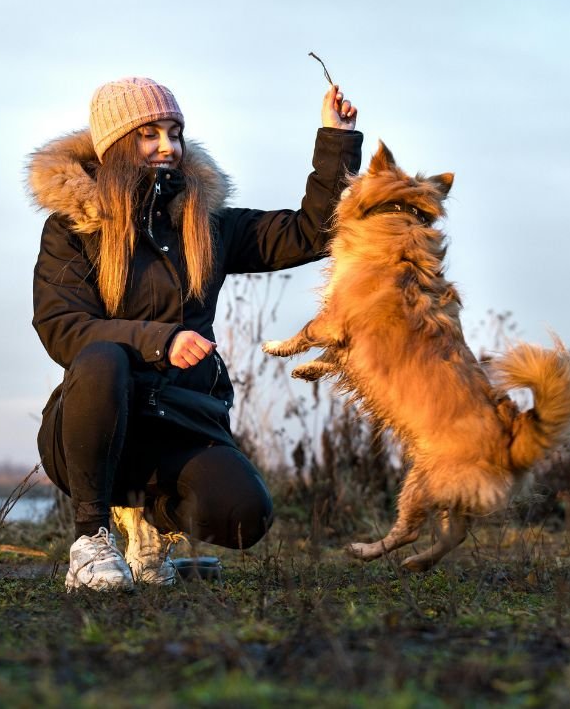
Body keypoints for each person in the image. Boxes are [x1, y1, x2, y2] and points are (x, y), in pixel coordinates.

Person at [28, 75, 362, 591]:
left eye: (175, 132)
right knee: (101, 358)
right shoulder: (72, 228)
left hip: (181, 420)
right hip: (92, 427)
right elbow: (62, 326)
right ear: (115, 144)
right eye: (150, 134)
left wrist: (336, 139)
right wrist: (160, 342)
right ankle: (91, 540)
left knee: (242, 515)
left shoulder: (205, 223)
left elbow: (310, 233)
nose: (169, 146)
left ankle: (148, 528)